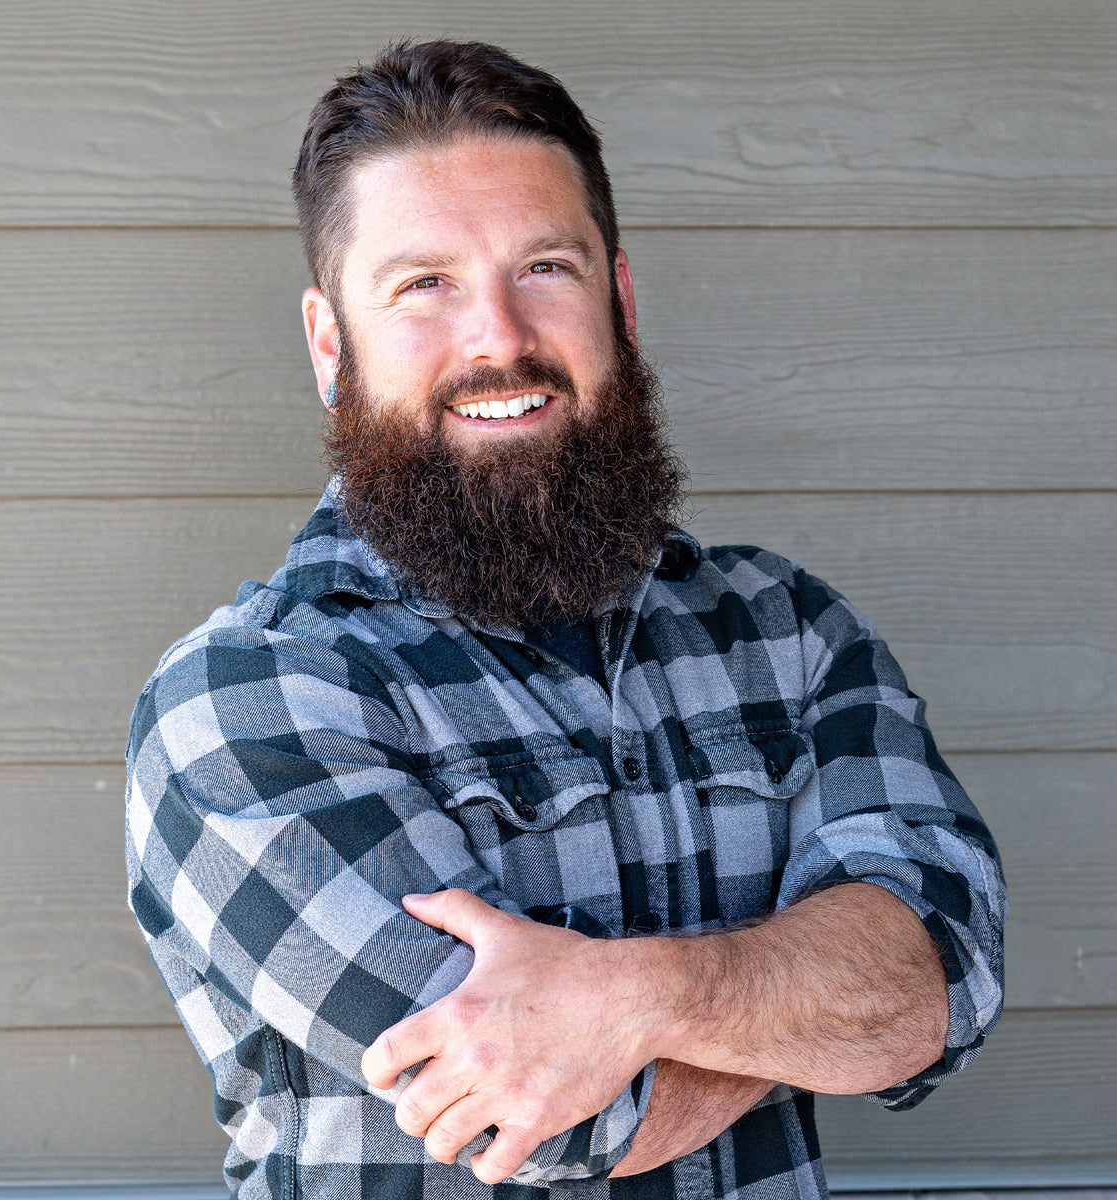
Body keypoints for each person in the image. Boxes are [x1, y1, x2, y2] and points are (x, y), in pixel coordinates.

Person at [125, 39, 1007, 1200]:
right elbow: (542, 1124)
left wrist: (640, 998)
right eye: (423, 284)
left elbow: (939, 980)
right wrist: (800, 1008)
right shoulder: (245, 702)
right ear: (332, 346)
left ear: (621, 302)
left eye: (545, 267)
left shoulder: (788, 634)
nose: (496, 337)